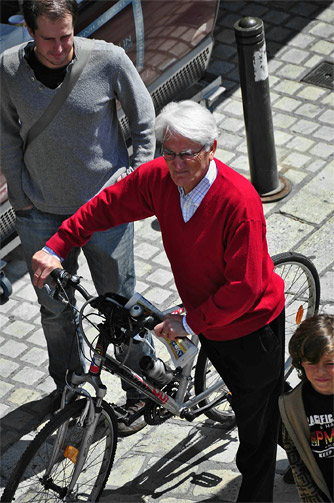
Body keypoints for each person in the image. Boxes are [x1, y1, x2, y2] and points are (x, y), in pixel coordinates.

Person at [31, 99, 286, 502]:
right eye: (169, 153)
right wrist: (59, 244)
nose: (177, 164)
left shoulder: (240, 202)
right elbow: (110, 204)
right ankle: (285, 411)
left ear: (212, 148)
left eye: (187, 154)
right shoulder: (162, 179)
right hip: (208, 320)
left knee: (255, 431)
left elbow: (246, 288)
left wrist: (189, 322)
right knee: (260, 401)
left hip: (250, 327)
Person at [0, 0, 156, 432]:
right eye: (48, 38)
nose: (58, 47)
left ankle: (139, 391)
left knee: (119, 305)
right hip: (41, 215)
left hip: (105, 213)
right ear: (30, 32)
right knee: (55, 312)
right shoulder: (9, 69)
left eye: (66, 35)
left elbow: (145, 123)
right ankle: (72, 391)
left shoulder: (107, 59)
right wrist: (21, 198)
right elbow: (6, 135)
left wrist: (132, 185)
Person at [279, 314, 334, 502]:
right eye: (311, 363)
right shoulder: (292, 407)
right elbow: (297, 463)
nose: (320, 372)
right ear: (301, 363)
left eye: (330, 363)